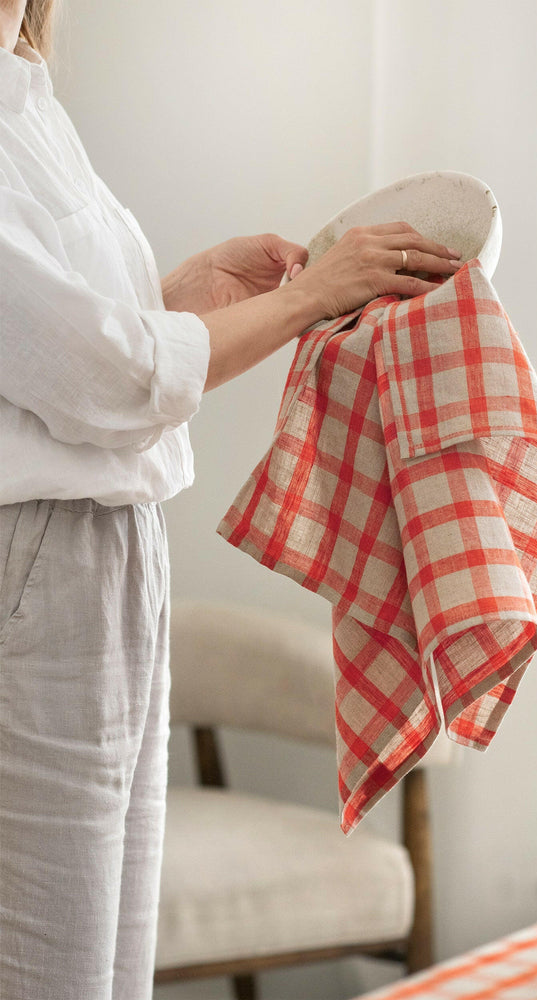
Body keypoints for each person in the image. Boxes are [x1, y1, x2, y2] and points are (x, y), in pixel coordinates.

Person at [0, 2, 462, 997]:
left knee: (113, 960)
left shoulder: (26, 95)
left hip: (113, 544)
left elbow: (59, 352)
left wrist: (188, 293)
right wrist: (303, 298)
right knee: (51, 970)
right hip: (35, 556)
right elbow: (105, 377)